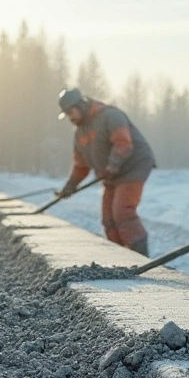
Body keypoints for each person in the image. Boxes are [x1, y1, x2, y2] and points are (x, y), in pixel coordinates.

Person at [56, 87, 156, 255]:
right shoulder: (80, 132)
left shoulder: (110, 116)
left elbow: (123, 143)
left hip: (132, 166)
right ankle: (121, 257)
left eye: (70, 112)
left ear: (81, 106)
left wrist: (112, 166)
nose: (70, 118)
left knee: (122, 213)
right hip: (111, 174)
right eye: (66, 114)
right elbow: (81, 166)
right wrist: (70, 186)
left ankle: (140, 257)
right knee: (108, 219)